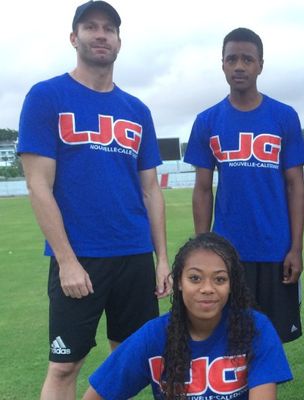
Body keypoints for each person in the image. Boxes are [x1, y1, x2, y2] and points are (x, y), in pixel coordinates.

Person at [17, 1, 171, 399]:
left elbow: (151, 189)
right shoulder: (47, 96)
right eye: (90, 27)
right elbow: (38, 185)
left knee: (131, 359)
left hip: (134, 255)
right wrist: (67, 260)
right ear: (74, 37)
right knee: (65, 365)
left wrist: (162, 259)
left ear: (119, 41)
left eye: (109, 29)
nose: (100, 34)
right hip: (80, 257)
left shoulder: (137, 110)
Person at [184, 27, 304, 343]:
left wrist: (295, 247)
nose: (239, 66)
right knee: (230, 335)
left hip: (276, 251)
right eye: (232, 59)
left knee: (272, 339)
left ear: (260, 65)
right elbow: (201, 188)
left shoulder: (284, 116)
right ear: (222, 64)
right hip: (228, 254)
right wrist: (202, 246)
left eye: (247, 59)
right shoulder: (208, 120)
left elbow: (296, 186)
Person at [82, 232, 293, 400]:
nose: (207, 288)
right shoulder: (154, 335)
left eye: (219, 279)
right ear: (179, 282)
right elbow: (99, 393)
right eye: (195, 278)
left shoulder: (255, 327)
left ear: (231, 285)